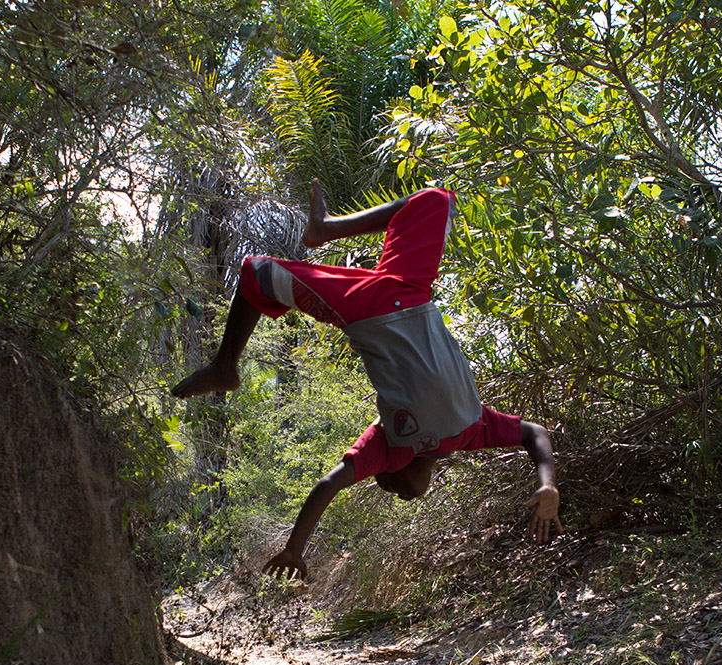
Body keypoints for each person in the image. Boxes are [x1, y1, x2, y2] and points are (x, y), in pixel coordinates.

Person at [173, 180, 563, 579]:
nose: (403, 497)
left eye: (391, 491)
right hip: (413, 291)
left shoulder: (390, 446)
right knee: (436, 199)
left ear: (389, 470)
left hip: (369, 310)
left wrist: (294, 549)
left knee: (256, 273)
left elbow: (328, 485)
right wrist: (547, 484)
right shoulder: (474, 431)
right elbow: (535, 433)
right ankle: (326, 229)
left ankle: (226, 365)